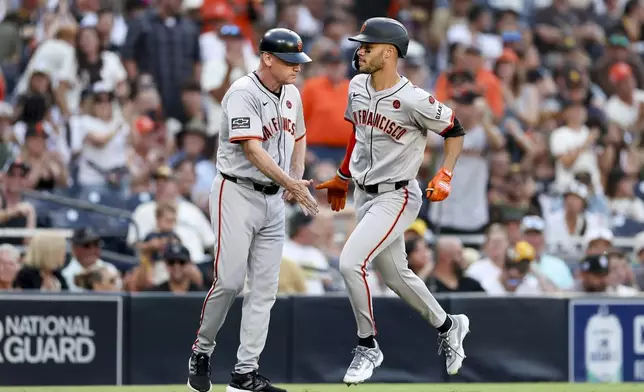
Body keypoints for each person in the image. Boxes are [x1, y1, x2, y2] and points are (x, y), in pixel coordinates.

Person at [315, 17, 470, 385]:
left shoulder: (413, 98)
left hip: (398, 193)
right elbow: (357, 131)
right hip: (365, 194)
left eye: (367, 46)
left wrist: (445, 173)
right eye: (360, 44)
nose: (360, 50)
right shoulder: (356, 85)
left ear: (389, 52)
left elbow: (455, 129)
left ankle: (367, 345)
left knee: (350, 263)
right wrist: (341, 175)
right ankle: (449, 325)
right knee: (396, 276)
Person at [187, 28, 318, 392]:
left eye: (299, 61)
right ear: (267, 58)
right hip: (237, 191)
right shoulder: (243, 92)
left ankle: (245, 374)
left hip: (273, 199)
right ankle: (202, 348)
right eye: (290, 61)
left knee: (264, 290)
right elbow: (252, 150)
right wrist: (291, 183)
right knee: (229, 282)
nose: (297, 68)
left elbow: (301, 135)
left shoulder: (291, 93)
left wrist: (296, 174)